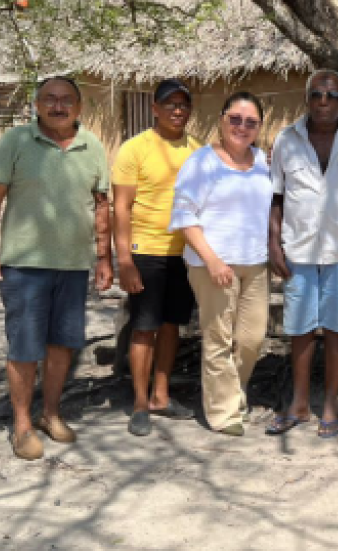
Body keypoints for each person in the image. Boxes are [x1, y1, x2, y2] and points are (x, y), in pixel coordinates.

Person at [0, 76, 113, 460]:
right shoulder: (16, 142)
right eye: (49, 99)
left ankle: (50, 414)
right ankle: (21, 426)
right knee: (24, 348)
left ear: (79, 108)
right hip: (24, 266)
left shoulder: (93, 147)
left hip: (72, 267)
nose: (58, 106)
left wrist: (104, 257)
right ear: (36, 105)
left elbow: (102, 205)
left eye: (66, 100)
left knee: (62, 345)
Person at [266, 70, 338, 438]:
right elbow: (277, 199)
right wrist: (274, 244)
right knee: (299, 330)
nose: (324, 102)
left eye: (332, 96)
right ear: (307, 99)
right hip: (298, 250)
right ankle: (299, 403)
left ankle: (330, 403)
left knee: (336, 331)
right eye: (317, 95)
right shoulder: (287, 140)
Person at [169, 92, 273, 437]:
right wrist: (212, 260)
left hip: (255, 263)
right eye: (235, 119)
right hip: (212, 263)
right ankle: (222, 412)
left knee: (252, 338)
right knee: (218, 337)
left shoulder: (262, 161)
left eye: (250, 122)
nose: (242, 127)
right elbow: (184, 215)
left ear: (259, 127)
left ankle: (233, 392)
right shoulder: (202, 163)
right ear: (222, 120)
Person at [112, 78, 200, 437]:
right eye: (169, 104)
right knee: (144, 327)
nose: (177, 111)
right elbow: (121, 207)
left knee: (171, 326)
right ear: (154, 109)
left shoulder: (198, 150)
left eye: (182, 105)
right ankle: (139, 402)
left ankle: (161, 395)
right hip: (145, 251)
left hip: (185, 253)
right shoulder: (135, 149)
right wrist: (125, 260)